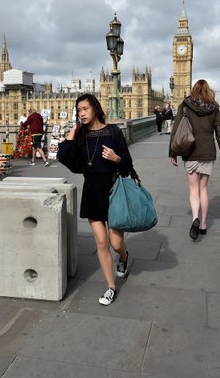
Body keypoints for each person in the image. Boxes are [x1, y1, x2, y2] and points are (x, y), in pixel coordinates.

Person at [58, 94, 132, 306]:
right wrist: (72, 132)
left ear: (95, 109)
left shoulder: (114, 132)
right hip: (92, 194)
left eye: (84, 109)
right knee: (102, 242)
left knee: (116, 243)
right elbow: (67, 159)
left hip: (113, 193)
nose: (81, 113)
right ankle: (111, 286)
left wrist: (116, 158)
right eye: (78, 110)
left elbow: (128, 164)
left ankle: (124, 257)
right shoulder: (81, 137)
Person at [168, 79, 220, 241]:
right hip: (208, 152)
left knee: (193, 190)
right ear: (208, 90)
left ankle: (194, 217)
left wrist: (172, 152)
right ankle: (202, 224)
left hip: (190, 152)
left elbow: (176, 129)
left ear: (194, 90)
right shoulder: (214, 107)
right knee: (203, 189)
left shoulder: (185, 105)